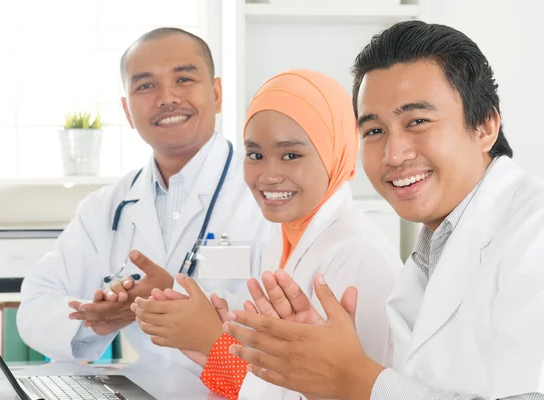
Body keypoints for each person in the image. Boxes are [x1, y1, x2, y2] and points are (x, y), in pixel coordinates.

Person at [221, 21, 544, 400]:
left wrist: (355, 380)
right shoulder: (431, 251)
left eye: (417, 122)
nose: (393, 154)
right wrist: (325, 378)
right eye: (374, 131)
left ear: (485, 125)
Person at [130, 69, 403, 399]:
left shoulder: (356, 254)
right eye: (255, 155)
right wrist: (220, 339)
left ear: (334, 153)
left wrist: (211, 338)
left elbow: (344, 391)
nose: (269, 175)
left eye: (291, 155)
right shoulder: (284, 240)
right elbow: (276, 379)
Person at [16, 28, 273, 374]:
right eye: (146, 85)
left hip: (243, 389)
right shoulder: (106, 208)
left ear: (216, 92)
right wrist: (100, 320)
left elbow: (290, 331)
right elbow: (34, 304)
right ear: (126, 110)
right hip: (144, 387)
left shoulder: (267, 192)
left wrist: (171, 298)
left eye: (183, 78)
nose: (167, 98)